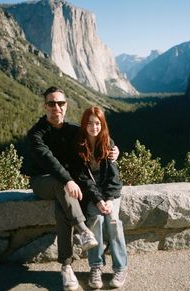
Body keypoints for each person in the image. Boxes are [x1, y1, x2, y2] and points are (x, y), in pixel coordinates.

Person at [27, 87, 119, 291]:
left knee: (62, 210)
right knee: (62, 185)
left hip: (67, 188)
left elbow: (95, 141)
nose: (56, 107)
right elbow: (49, 162)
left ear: (66, 106)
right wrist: (68, 180)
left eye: (60, 103)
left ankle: (66, 267)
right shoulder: (36, 134)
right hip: (42, 182)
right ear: (45, 106)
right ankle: (83, 230)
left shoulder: (72, 131)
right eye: (51, 103)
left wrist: (114, 149)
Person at [71, 106, 128, 289]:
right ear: (84, 125)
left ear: (102, 124)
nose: (93, 127)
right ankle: (95, 267)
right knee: (95, 219)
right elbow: (83, 179)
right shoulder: (79, 146)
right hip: (92, 195)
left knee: (112, 220)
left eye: (97, 123)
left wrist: (109, 199)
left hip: (111, 194)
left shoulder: (108, 144)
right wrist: (98, 200)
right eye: (89, 123)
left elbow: (114, 179)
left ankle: (121, 268)